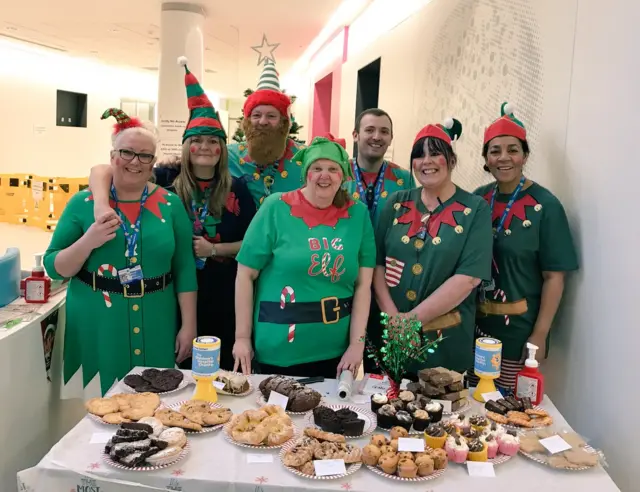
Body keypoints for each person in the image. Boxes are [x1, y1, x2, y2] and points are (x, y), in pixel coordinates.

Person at [88, 58, 256, 370]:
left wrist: (214, 249)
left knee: (220, 374)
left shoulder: (239, 189)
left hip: (224, 296)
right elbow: (103, 170)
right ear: (186, 145)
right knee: (174, 373)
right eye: (197, 141)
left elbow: (255, 246)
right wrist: (100, 203)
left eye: (212, 141)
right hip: (171, 294)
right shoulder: (164, 177)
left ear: (222, 148)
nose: (204, 147)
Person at [43, 108, 198, 396]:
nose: (135, 162)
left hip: (157, 319)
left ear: (153, 162)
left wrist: (189, 326)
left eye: (145, 156)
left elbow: (184, 268)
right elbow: (54, 267)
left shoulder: (170, 204)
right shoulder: (83, 203)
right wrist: (89, 240)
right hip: (97, 322)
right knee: (100, 412)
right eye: (127, 152)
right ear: (113, 155)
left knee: (157, 409)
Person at [232, 137, 376, 378]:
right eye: (316, 168)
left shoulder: (358, 214)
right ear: (305, 173)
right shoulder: (275, 208)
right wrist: (242, 338)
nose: (324, 176)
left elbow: (363, 286)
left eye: (333, 169)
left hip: (334, 353)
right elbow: (245, 275)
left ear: (343, 176)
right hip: (279, 350)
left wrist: (356, 344)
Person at [470, 102, 578, 389]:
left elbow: (554, 277)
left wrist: (539, 335)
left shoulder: (547, 206)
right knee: (470, 411)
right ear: (486, 158)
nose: (504, 158)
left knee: (506, 415)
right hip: (472, 331)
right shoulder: (476, 201)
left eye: (513, 150)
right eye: (495, 151)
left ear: (525, 155)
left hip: (518, 336)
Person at [373, 118, 492, 374]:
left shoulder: (475, 209)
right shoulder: (396, 203)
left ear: (451, 159)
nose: (426, 161)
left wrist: (409, 324)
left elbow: (467, 279)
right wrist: (393, 320)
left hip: (445, 342)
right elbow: (377, 264)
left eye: (435, 153)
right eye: (419, 155)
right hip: (391, 339)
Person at [343, 108, 415, 374]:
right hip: (346, 276)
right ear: (355, 135)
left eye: (384, 131)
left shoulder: (404, 179)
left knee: (382, 361)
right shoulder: (338, 174)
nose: (376, 137)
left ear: (391, 137)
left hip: (388, 280)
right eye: (369, 130)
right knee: (343, 354)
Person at [227, 59, 305, 207]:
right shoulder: (229, 156)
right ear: (248, 120)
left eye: (271, 116)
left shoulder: (306, 157)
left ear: (284, 122)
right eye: (256, 115)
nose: (263, 122)